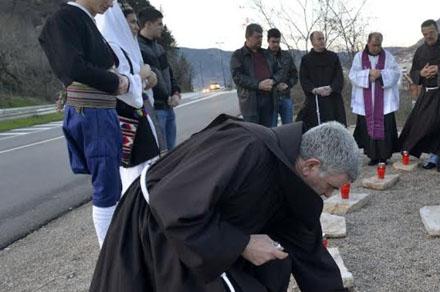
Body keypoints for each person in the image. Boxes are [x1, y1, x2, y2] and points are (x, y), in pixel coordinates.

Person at [89, 114, 359, 292]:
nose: (328, 196)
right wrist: (241, 244)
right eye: (331, 187)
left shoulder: (292, 178)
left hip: (202, 230)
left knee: (275, 264)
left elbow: (308, 250)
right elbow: (173, 203)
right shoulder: (248, 148)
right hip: (156, 226)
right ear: (311, 166)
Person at [39, 0, 129, 247]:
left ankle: (113, 250)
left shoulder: (81, 19)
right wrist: (114, 82)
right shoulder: (64, 19)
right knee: (106, 186)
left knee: (110, 181)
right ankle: (110, 256)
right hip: (93, 111)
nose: (111, 4)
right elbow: (72, 66)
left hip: (99, 111)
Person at [96, 1, 160, 195]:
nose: (136, 27)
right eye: (131, 22)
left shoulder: (129, 47)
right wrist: (141, 76)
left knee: (148, 166)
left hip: (138, 114)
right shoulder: (112, 47)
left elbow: (151, 79)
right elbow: (125, 86)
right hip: (126, 117)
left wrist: (144, 76)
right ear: (118, 23)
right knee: (134, 173)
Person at [397, 20, 440, 169]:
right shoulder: (420, 51)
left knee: (438, 125)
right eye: (425, 34)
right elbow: (413, 73)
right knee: (419, 123)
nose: (429, 36)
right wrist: (421, 72)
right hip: (426, 93)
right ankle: (409, 149)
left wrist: (439, 69)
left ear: (437, 30)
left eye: (431, 32)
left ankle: (436, 156)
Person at [349, 32, 401, 165]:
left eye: (378, 45)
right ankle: (372, 155)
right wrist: (368, 74)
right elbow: (353, 75)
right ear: (368, 43)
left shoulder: (388, 57)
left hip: (384, 102)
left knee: (386, 127)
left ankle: (384, 156)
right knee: (367, 128)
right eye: (373, 45)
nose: (376, 48)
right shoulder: (359, 57)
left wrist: (381, 74)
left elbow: (395, 73)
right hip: (365, 101)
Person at [138, 7, 181, 151]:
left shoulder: (160, 49)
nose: (162, 27)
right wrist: (164, 96)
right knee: (160, 154)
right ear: (148, 24)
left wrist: (175, 93)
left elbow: (169, 74)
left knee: (172, 153)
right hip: (155, 109)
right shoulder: (137, 49)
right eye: (159, 24)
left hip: (168, 107)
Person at [231, 23, 283, 127]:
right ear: (248, 37)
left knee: (268, 132)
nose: (260, 40)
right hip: (250, 102)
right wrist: (258, 84)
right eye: (257, 37)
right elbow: (237, 76)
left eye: (261, 37)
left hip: (269, 100)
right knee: (254, 134)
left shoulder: (267, 54)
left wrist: (273, 80)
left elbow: (280, 71)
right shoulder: (238, 55)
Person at [298, 31, 347, 130]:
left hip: (333, 100)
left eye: (323, 38)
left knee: (336, 129)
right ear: (312, 42)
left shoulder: (333, 57)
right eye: (319, 39)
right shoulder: (306, 59)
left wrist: (331, 88)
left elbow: (339, 77)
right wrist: (313, 89)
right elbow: (304, 79)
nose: (322, 41)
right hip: (315, 100)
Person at [267, 28, 298, 127]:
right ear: (268, 41)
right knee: (272, 129)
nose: (276, 44)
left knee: (288, 128)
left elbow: (294, 75)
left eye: (278, 42)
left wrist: (288, 84)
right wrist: (275, 85)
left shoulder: (286, 56)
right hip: (269, 99)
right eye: (273, 42)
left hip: (285, 97)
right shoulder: (263, 56)